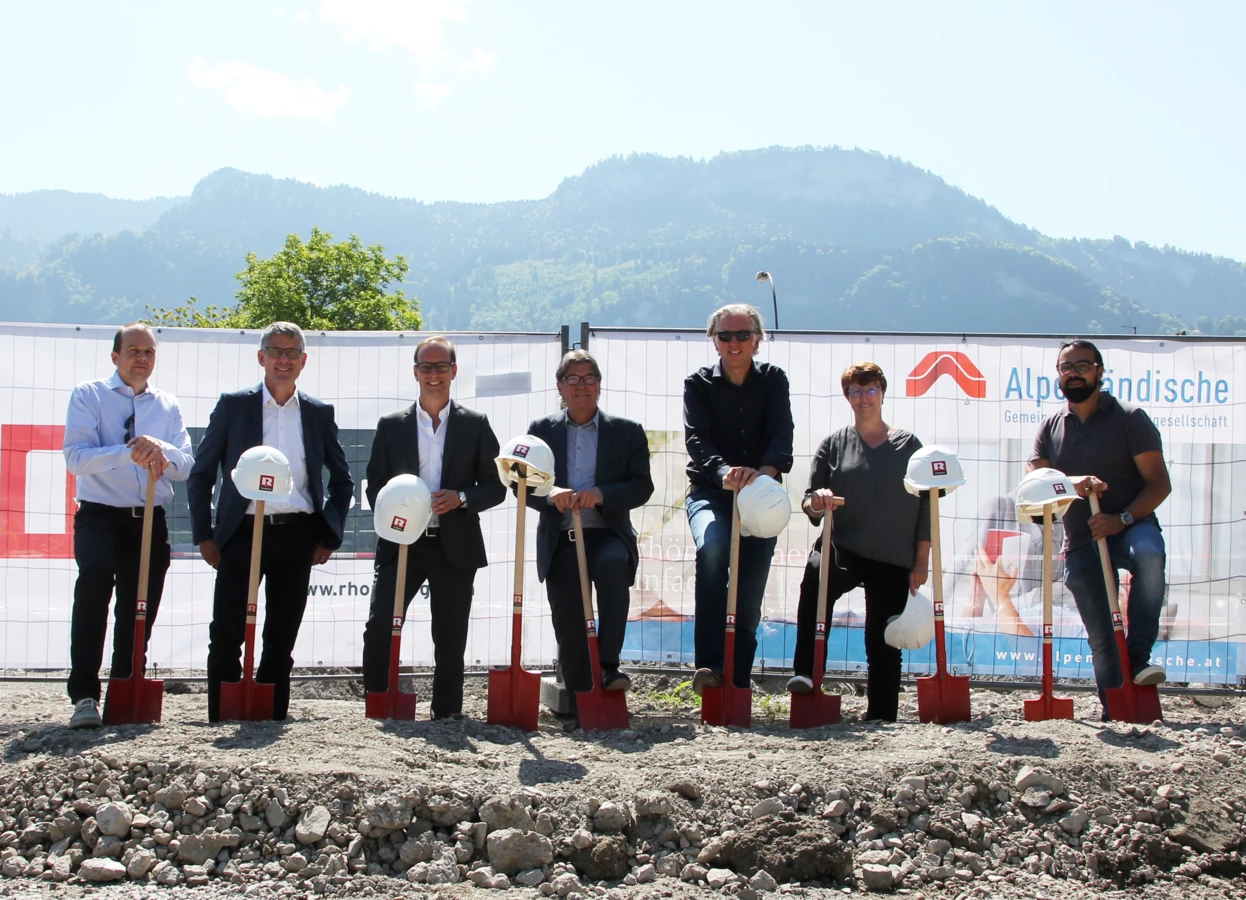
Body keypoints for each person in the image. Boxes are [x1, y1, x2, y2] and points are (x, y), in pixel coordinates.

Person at [188, 322, 353, 722]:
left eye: (292, 352)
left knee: (281, 634)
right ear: (261, 357)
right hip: (240, 534)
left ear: (303, 361)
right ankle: (224, 712)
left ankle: (271, 713)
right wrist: (204, 536)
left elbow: (342, 479)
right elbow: (201, 473)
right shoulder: (234, 405)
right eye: (276, 351)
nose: (283, 359)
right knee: (226, 631)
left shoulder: (317, 412)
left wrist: (327, 535)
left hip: (296, 535)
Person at [361, 336, 505, 720]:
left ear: (454, 372)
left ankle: (446, 715)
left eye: (442, 366)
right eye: (427, 367)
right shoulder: (391, 426)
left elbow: (495, 486)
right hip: (402, 543)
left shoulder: (475, 425)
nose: (434, 374)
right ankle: (378, 703)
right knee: (380, 627)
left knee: (450, 636)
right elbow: (375, 485)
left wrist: (460, 497)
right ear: (415, 372)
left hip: (453, 544)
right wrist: (400, 508)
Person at [62, 323, 194, 729]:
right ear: (115, 355)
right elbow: (76, 458)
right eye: (134, 350)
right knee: (95, 586)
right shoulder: (89, 395)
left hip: (148, 518)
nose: (142, 358)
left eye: (149, 352)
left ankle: (125, 686)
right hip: (100, 513)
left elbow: (185, 465)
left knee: (140, 607)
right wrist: (128, 452)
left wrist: (160, 448)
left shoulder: (167, 405)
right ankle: (84, 694)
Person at [1028, 338, 1170, 713]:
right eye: (1066, 367)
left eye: (1083, 366)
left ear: (1100, 371)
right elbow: (1035, 482)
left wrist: (1120, 519)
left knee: (1151, 555)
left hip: (1130, 526)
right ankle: (1118, 708)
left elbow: (1159, 483)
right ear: (1058, 375)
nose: (1073, 374)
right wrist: (1073, 484)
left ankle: (1138, 658)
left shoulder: (1129, 418)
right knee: (1103, 637)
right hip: (1081, 540)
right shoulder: (1050, 427)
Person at [787, 362, 931, 722]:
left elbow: (927, 507)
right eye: (856, 391)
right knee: (815, 581)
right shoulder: (834, 444)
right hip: (843, 547)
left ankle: (882, 714)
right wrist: (816, 502)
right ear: (847, 396)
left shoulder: (909, 445)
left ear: (882, 393)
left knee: (882, 639)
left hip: (892, 555)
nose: (864, 398)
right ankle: (806, 672)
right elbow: (808, 502)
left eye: (870, 390)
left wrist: (921, 559)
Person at [525, 350, 654, 716]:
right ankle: (578, 694)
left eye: (589, 378)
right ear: (560, 387)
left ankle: (610, 667)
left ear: (599, 385)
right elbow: (522, 487)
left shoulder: (626, 432)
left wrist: (603, 495)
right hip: (561, 539)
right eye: (573, 379)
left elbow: (642, 486)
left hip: (607, 534)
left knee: (613, 568)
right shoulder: (540, 431)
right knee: (567, 615)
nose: (581, 385)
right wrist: (551, 496)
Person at [684, 303, 794, 694]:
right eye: (725, 335)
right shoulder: (696, 384)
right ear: (714, 341)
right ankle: (709, 668)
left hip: (761, 496)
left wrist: (762, 475)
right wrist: (724, 472)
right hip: (711, 494)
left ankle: (739, 680)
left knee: (748, 594)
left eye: (742, 335)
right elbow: (696, 439)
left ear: (757, 340)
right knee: (712, 550)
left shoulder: (775, 380)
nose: (734, 343)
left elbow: (783, 434)